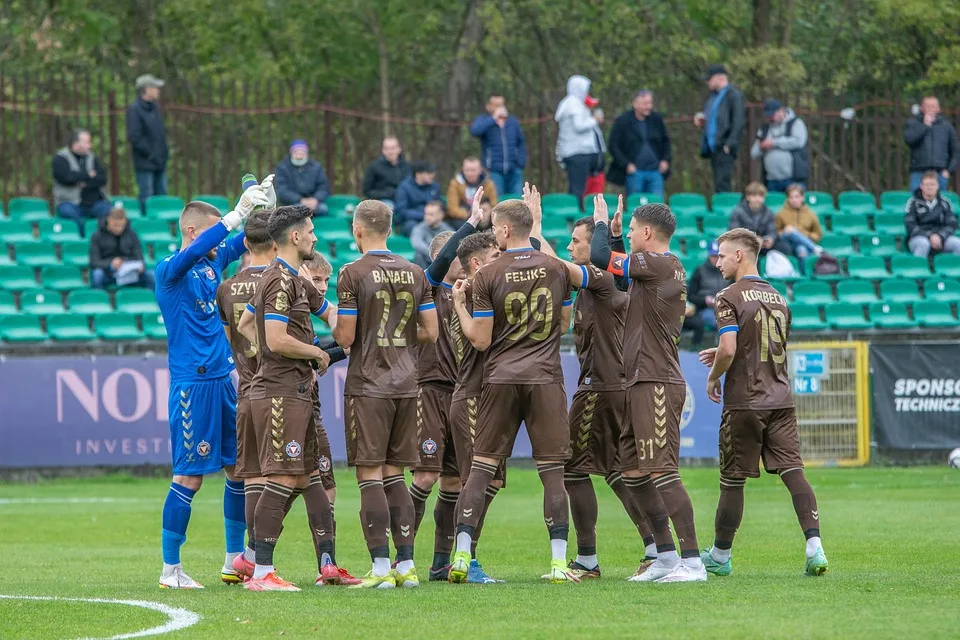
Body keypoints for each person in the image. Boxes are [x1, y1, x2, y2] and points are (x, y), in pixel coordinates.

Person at [447, 188, 604, 584]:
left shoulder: (486, 274)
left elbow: (480, 340)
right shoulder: (556, 267)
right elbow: (566, 322)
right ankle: (557, 563)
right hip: (545, 378)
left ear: (503, 230)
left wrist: (461, 307)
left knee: (480, 468)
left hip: (500, 378)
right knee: (552, 472)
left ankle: (462, 556)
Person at [154, 177, 272, 589]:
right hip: (193, 386)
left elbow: (248, 243)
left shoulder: (210, 262)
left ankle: (232, 560)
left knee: (236, 470)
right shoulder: (170, 270)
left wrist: (261, 212)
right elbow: (204, 248)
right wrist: (236, 214)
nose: (220, 234)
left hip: (224, 380)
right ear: (192, 231)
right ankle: (171, 569)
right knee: (189, 476)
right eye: (213, 227)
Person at [698, 227, 829, 577]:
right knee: (793, 471)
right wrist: (730, 351)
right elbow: (765, 344)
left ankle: (721, 556)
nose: (718, 261)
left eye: (722, 254)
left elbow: (729, 348)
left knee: (732, 481)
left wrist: (714, 376)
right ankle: (814, 548)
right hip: (782, 399)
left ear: (739, 255)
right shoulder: (779, 297)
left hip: (746, 400)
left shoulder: (728, 295)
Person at [590, 199, 706, 583]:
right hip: (639, 379)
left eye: (634, 228)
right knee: (633, 470)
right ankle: (667, 557)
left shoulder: (659, 263)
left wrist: (603, 224)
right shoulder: (652, 269)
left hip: (656, 379)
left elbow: (600, 257)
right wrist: (621, 234)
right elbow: (621, 278)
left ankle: (693, 562)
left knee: (663, 471)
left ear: (648, 233)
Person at [332, 199, 439, 589]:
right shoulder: (415, 271)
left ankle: (379, 569)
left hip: (369, 384)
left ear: (358, 231)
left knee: (369, 474)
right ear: (390, 230)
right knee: (396, 472)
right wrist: (398, 338)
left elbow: (344, 336)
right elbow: (431, 331)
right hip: (408, 383)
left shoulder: (352, 272)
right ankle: (406, 566)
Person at [233, 205, 337, 592]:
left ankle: (312, 563)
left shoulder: (291, 278)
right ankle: (261, 572)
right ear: (294, 237)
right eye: (309, 231)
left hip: (289, 390)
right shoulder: (279, 280)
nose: (314, 236)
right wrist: (315, 353)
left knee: (304, 476)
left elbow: (247, 325)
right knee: (281, 477)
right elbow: (275, 339)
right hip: (279, 394)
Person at [563, 208, 658, 579]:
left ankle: (587, 559)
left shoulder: (600, 278)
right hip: (617, 386)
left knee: (572, 470)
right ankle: (654, 548)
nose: (570, 247)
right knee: (619, 471)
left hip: (599, 388)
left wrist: (528, 236)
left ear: (594, 246)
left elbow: (554, 266)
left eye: (576, 241)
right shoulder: (608, 282)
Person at [406, 198, 492, 582]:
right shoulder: (427, 287)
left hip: (463, 395)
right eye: (457, 256)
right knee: (424, 476)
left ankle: (443, 561)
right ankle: (400, 556)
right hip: (430, 390)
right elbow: (441, 267)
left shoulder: (474, 295)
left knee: (455, 481)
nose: (463, 263)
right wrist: (471, 224)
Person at [606, 90, 671, 197]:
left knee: (657, 207)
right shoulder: (623, 121)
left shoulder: (657, 119)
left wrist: (665, 160)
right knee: (636, 206)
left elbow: (666, 141)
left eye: (650, 103)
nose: (648, 106)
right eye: (645, 103)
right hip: (634, 173)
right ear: (635, 103)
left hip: (655, 171)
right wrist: (626, 164)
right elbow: (613, 145)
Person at [555, 75, 605, 207]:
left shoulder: (574, 104)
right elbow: (579, 126)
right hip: (577, 153)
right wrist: (594, 120)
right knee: (578, 189)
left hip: (579, 153)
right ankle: (576, 215)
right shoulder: (573, 104)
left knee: (579, 187)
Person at [695, 65, 745, 193]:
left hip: (724, 147)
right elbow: (713, 119)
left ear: (719, 78)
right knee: (718, 183)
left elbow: (738, 121)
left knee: (724, 183)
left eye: (709, 79)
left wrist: (729, 143)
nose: (707, 83)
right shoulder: (713, 97)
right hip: (714, 147)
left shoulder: (733, 95)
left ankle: (726, 211)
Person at [52, 129, 112, 235]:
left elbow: (102, 178)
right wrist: (88, 175)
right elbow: (67, 178)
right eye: (87, 142)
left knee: (110, 212)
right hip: (69, 202)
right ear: (75, 144)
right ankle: (82, 242)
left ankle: (100, 240)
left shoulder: (92, 157)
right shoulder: (60, 158)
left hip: (94, 203)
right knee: (71, 215)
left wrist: (83, 182)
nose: (90, 146)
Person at [126, 74, 169, 213]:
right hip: (145, 163)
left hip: (159, 161)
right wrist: (150, 154)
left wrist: (162, 154)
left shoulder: (154, 108)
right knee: (147, 196)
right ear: (146, 89)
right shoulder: (135, 110)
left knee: (162, 197)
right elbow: (135, 136)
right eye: (155, 87)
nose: (158, 90)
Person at [470, 94, 527, 196]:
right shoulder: (485, 120)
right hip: (494, 170)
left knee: (516, 202)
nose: (500, 108)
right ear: (488, 106)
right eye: (496, 105)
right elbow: (475, 131)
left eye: (501, 104)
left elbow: (521, 142)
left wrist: (520, 163)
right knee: (497, 201)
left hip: (514, 170)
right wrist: (493, 118)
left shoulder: (512, 122)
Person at [750, 100, 810, 192]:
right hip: (771, 180)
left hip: (793, 179)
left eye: (772, 114)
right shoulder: (764, 129)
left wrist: (773, 143)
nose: (770, 118)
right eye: (768, 115)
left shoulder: (795, 123)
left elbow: (798, 142)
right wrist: (762, 147)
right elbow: (753, 153)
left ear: (781, 111)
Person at [89, 207, 154, 290]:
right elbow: (94, 262)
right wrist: (111, 264)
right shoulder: (97, 236)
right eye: (115, 225)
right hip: (108, 273)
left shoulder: (132, 234)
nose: (118, 228)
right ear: (108, 220)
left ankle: (151, 301)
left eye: (121, 225)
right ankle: (99, 301)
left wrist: (138, 266)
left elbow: (139, 257)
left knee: (152, 275)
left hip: (129, 273)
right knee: (97, 275)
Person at [904, 96, 958, 191]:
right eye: (927, 106)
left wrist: (949, 171)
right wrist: (925, 126)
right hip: (918, 171)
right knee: (916, 201)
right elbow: (909, 141)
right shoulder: (913, 123)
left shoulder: (947, 126)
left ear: (938, 109)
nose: (930, 109)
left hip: (940, 172)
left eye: (933, 106)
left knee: (939, 203)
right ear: (922, 108)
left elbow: (955, 151)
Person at [683, 242, 732, 348]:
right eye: (713, 256)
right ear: (709, 255)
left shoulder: (727, 271)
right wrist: (704, 300)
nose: (716, 259)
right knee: (719, 322)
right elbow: (691, 296)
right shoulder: (700, 271)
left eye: (718, 256)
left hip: (724, 307)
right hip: (705, 309)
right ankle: (718, 348)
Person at [905, 172, 960, 258]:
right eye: (926, 184)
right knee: (923, 244)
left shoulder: (945, 202)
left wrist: (940, 236)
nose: (929, 187)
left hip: (941, 237)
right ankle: (919, 270)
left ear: (937, 186)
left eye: (932, 184)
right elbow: (910, 226)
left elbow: (952, 224)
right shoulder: (913, 203)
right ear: (921, 186)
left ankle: (953, 270)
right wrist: (930, 236)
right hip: (919, 238)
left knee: (958, 244)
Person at [274, 140, 330, 216]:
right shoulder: (283, 168)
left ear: (307, 154)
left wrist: (316, 199)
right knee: (295, 212)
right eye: (296, 153)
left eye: (302, 153)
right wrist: (300, 199)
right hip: (291, 204)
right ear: (291, 153)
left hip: (315, 204)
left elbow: (323, 187)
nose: (299, 156)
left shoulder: (316, 167)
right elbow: (282, 190)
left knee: (323, 209)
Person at [775, 184, 823, 261]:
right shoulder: (781, 213)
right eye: (791, 197)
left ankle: (803, 272)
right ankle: (814, 248)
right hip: (787, 241)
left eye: (796, 197)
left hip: (803, 243)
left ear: (802, 198)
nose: (794, 200)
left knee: (802, 251)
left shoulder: (811, 214)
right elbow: (776, 231)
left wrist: (806, 235)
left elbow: (818, 233)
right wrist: (785, 232)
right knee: (790, 230)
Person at [446, 157, 498, 227]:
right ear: (463, 170)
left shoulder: (488, 184)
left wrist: (486, 213)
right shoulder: (455, 184)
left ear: (480, 170)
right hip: (464, 216)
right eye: (467, 170)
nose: (470, 174)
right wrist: (470, 214)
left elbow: (494, 204)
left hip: (483, 213)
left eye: (473, 170)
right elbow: (452, 208)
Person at [394, 161, 443, 237]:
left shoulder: (434, 186)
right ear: (418, 174)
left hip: (434, 219)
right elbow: (402, 211)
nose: (432, 175)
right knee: (411, 227)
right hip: (413, 220)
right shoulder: (404, 187)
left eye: (433, 172)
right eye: (428, 173)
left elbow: (441, 204)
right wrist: (424, 215)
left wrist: (437, 215)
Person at [362, 136, 410, 207]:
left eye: (393, 148)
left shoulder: (407, 166)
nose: (389, 152)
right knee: (388, 207)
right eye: (386, 148)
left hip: (405, 200)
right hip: (384, 201)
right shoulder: (374, 167)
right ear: (382, 150)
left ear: (399, 149)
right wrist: (386, 194)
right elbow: (367, 191)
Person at [729, 182, 778, 252]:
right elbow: (734, 233)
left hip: (763, 246)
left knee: (782, 247)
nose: (757, 199)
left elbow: (772, 231)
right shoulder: (738, 211)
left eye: (760, 196)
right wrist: (753, 239)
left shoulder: (768, 212)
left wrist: (770, 239)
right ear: (748, 197)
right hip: (744, 245)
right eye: (754, 196)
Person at [410, 201, 454, 269]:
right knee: (418, 255)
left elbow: (454, 243)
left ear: (441, 215)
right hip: (427, 259)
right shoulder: (419, 228)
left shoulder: (447, 229)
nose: (427, 217)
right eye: (426, 214)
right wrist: (435, 255)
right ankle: (422, 278)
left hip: (443, 261)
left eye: (431, 214)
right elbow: (417, 244)